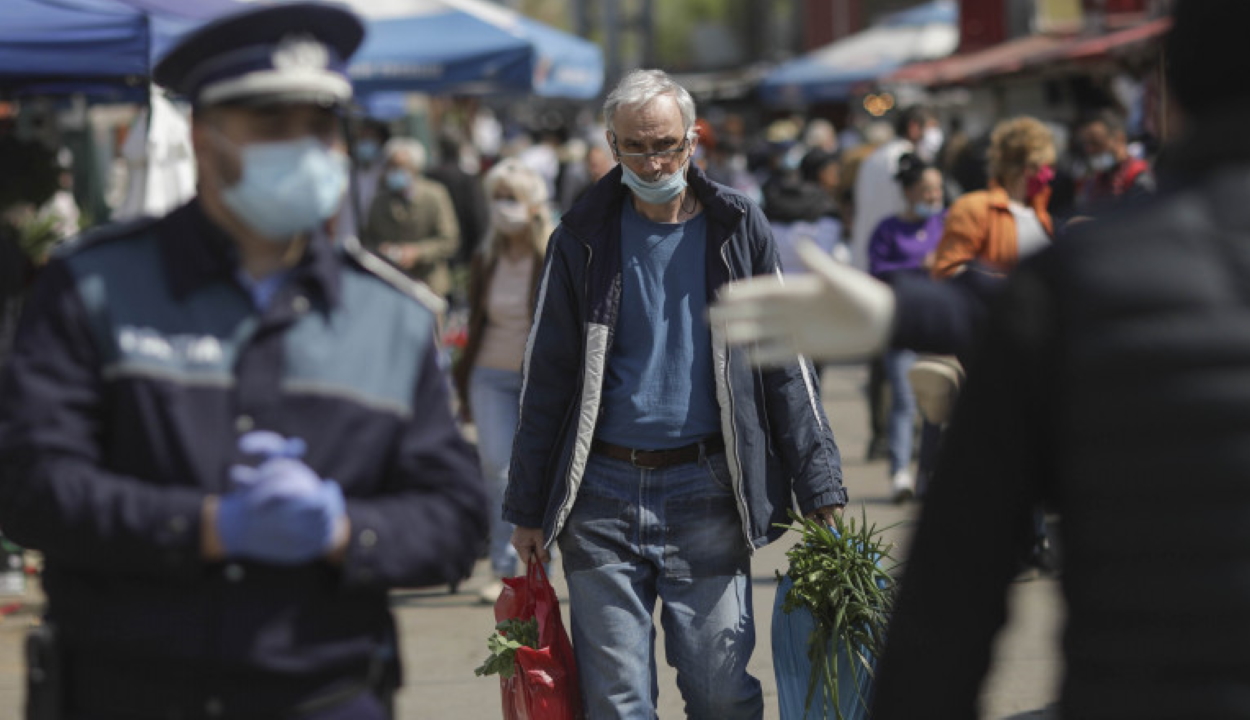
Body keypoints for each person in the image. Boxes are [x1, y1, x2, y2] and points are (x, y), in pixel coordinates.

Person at [0, 4, 488, 718]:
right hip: (130, 689)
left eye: (321, 126)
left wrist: (345, 530)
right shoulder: (94, 289)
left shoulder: (390, 316)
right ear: (203, 137)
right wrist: (204, 525)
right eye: (270, 125)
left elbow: (454, 520)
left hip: (325, 690)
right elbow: (30, 485)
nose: (304, 148)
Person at [505, 68, 847, 719]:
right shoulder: (579, 237)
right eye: (635, 146)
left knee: (720, 693)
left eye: (666, 143)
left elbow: (784, 364)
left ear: (693, 140)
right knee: (618, 701)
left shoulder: (736, 226)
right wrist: (527, 507)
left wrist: (820, 486)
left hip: (707, 488)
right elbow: (546, 379)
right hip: (601, 496)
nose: (653, 160)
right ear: (611, 143)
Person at [450, 158, 553, 604]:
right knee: (499, 469)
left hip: (539, 381)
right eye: (497, 198)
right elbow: (475, 318)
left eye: (511, 198)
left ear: (533, 205)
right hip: (489, 376)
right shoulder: (484, 257)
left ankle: (537, 563)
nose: (503, 208)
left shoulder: (552, 252)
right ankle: (503, 568)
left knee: (538, 474)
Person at [867, 153, 946, 502]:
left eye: (939, 189)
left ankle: (930, 473)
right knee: (904, 398)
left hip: (942, 329)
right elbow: (877, 271)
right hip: (901, 326)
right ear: (910, 192)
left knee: (939, 403)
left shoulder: (948, 224)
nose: (935, 196)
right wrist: (919, 266)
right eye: (927, 189)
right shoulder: (887, 229)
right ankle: (901, 471)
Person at [931, 116, 1056, 279]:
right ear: (1028, 165)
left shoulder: (1042, 216)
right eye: (1044, 167)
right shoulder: (973, 208)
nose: (1049, 175)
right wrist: (1006, 284)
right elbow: (946, 270)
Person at [362, 137, 461, 298]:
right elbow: (368, 239)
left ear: (415, 168)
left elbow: (449, 240)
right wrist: (382, 250)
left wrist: (417, 252)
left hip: (429, 286)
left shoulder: (435, 195)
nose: (394, 172)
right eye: (391, 166)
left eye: (400, 167)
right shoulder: (379, 201)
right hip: (393, 286)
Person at [427, 132, 488, 270]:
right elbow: (477, 217)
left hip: (437, 253)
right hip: (462, 250)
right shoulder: (467, 179)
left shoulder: (429, 176)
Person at [1074, 108, 1155, 210]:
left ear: (1120, 138)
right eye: (1086, 144)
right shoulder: (1094, 181)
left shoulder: (1138, 176)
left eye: (1096, 143)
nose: (1090, 150)